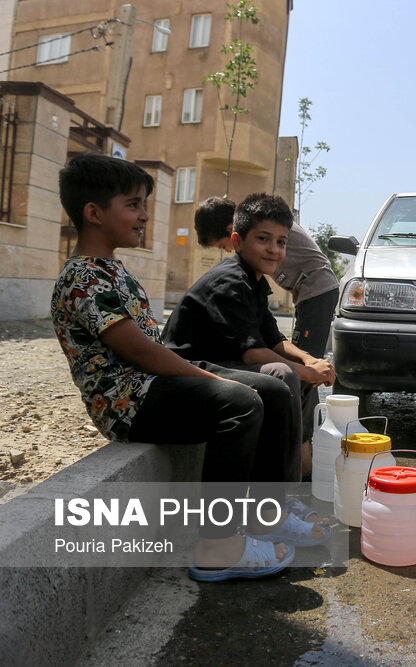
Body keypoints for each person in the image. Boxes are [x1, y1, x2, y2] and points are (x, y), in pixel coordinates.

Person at [51, 154, 326, 582]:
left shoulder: (112, 270)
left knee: (272, 389)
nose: (144, 216)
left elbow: (266, 341)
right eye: (134, 205)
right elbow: (142, 352)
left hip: (152, 384)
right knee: (241, 402)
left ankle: (266, 515)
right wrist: (211, 379)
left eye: (144, 204)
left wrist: (301, 362)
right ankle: (217, 545)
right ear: (93, 213)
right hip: (128, 402)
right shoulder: (83, 278)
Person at [163, 193, 337, 483]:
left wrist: (310, 359)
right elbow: (253, 354)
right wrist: (307, 372)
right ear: (236, 241)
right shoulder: (230, 282)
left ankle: (294, 481)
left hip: (221, 362)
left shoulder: (254, 281)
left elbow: (273, 339)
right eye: (263, 239)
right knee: (283, 375)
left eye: (281, 242)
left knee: (295, 374)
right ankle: (273, 505)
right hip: (191, 372)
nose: (273, 250)